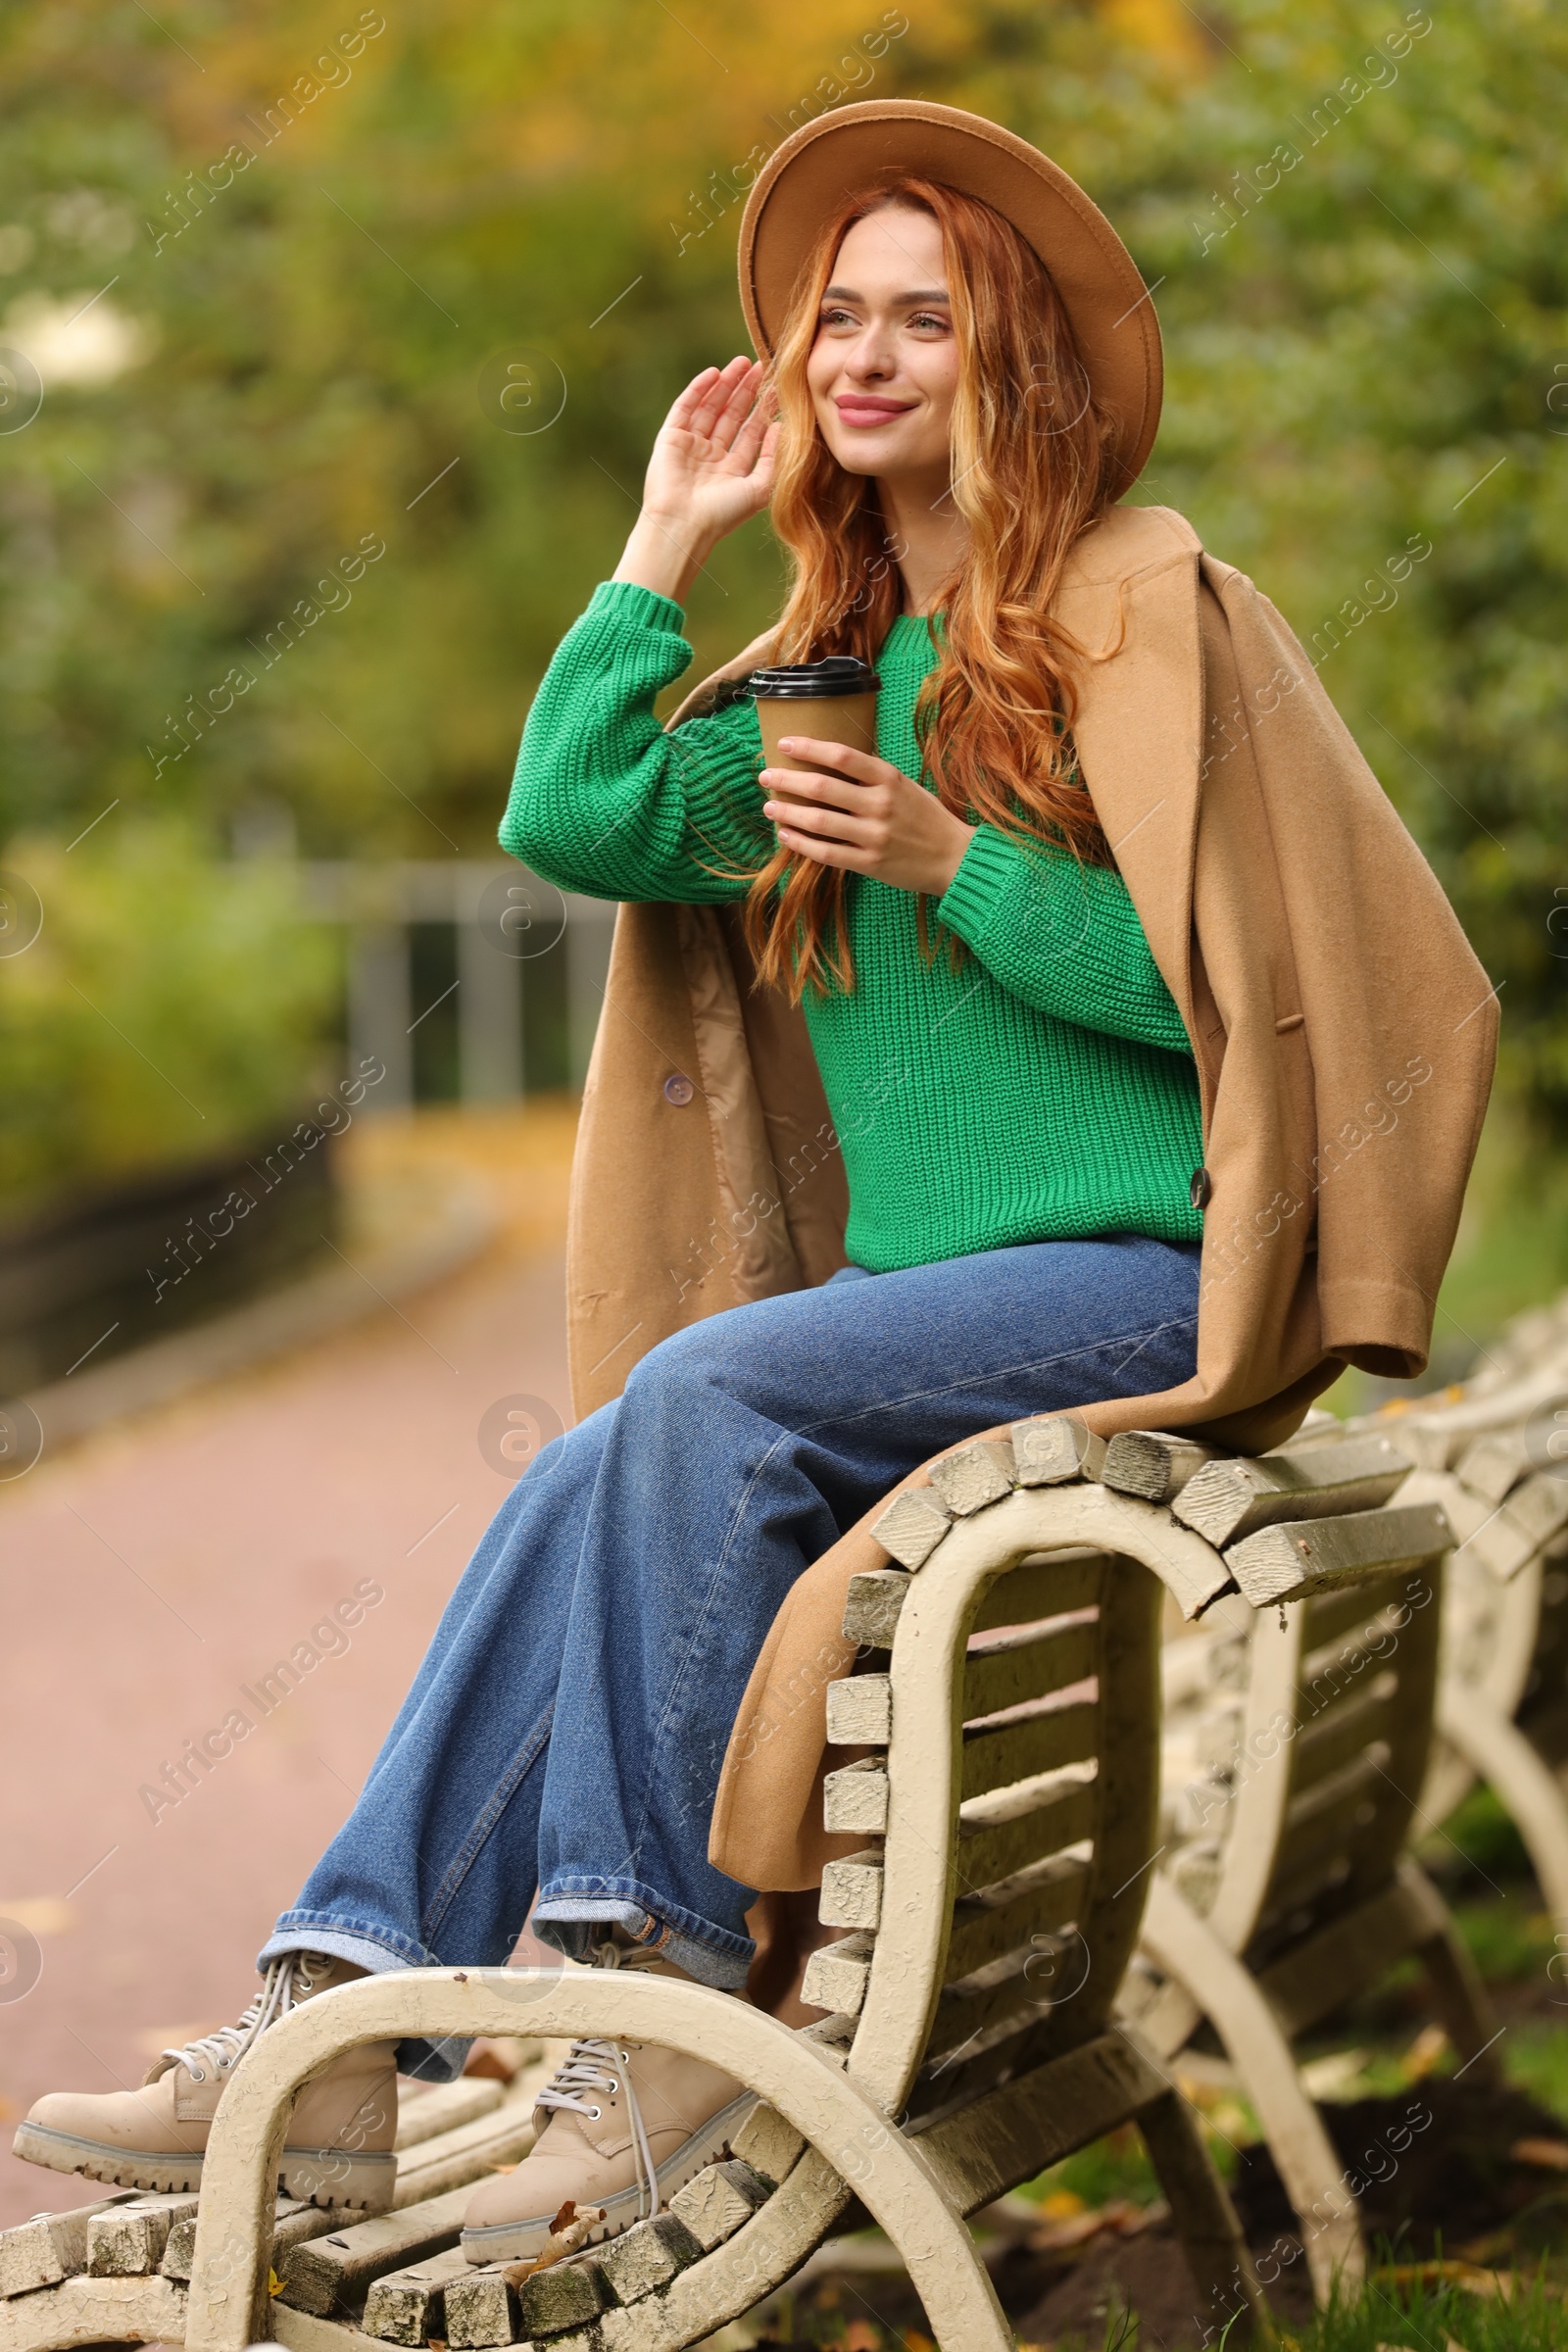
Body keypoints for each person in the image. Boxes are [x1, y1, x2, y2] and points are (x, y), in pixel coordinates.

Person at [16, 101, 1494, 2267]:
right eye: (834, 321)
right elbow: (577, 815)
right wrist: (653, 544)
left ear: (1009, 364)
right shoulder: (813, 675)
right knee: (598, 1457)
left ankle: (650, 2005)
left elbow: (1239, 1004)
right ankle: (331, 2026)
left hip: (1146, 1263)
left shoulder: (1125, 614)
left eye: (923, 320)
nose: (865, 357)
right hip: (921, 1306)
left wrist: (947, 860)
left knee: (700, 1395)